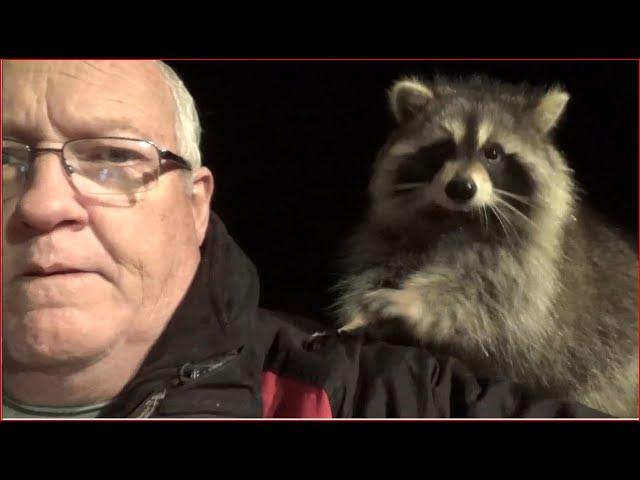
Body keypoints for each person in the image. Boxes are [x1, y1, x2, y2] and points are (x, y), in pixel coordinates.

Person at [1, 60, 608, 418]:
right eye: (4, 158)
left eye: (112, 156)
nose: (45, 202)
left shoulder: (343, 393)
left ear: (196, 206)